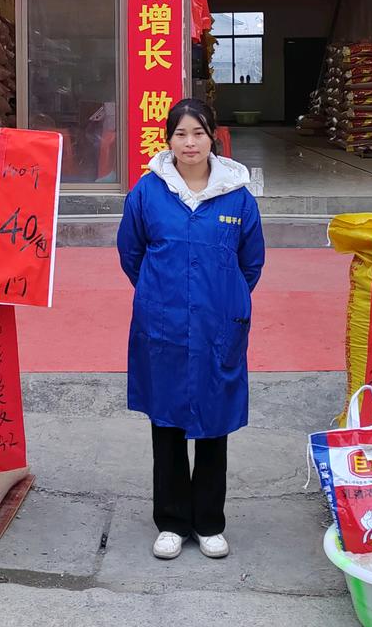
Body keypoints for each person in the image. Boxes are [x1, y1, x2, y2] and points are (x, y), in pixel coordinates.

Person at [117, 98, 264, 562]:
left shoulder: (236, 195)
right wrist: (163, 296)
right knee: (167, 422)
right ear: (169, 139)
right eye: (180, 133)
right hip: (163, 326)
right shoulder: (147, 192)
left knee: (213, 424)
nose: (190, 142)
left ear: (212, 136)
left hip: (218, 325)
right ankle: (172, 522)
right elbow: (131, 253)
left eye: (198, 133)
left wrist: (221, 300)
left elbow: (251, 262)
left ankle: (209, 522)